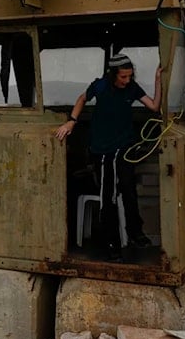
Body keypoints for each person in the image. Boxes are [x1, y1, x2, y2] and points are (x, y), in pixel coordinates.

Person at [55, 54, 162, 261]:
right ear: (113, 75)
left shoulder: (132, 88)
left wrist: (158, 80)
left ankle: (135, 234)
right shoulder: (101, 86)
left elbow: (154, 107)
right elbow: (82, 98)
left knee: (129, 191)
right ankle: (111, 243)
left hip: (124, 147)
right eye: (123, 77)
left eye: (130, 76)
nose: (127, 80)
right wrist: (71, 121)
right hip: (103, 151)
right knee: (109, 197)